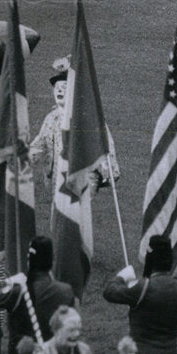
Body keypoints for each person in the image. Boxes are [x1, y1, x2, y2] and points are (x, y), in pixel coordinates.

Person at [29, 57, 118, 227]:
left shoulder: (88, 117)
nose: (59, 91)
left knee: (76, 223)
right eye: (57, 88)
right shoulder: (51, 118)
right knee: (58, 223)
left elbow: (104, 145)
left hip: (82, 179)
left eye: (64, 88)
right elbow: (39, 145)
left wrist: (107, 172)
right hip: (57, 179)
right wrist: (20, 160)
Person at [0, 235, 76, 354]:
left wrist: (8, 281)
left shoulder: (17, 291)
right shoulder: (66, 291)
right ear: (52, 260)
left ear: (29, 261)